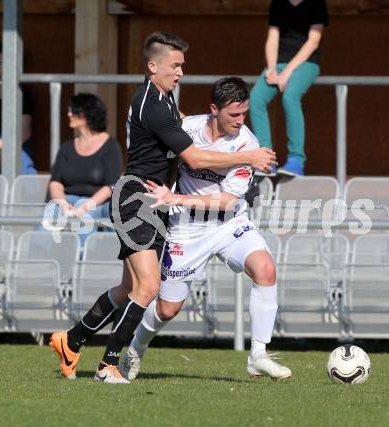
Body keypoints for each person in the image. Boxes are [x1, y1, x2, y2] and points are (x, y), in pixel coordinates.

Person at [50, 32, 277, 384]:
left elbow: (182, 129)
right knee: (149, 287)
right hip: (136, 200)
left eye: (182, 65)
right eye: (176, 65)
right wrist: (249, 156)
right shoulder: (153, 105)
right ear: (153, 66)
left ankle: (72, 339)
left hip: (154, 203)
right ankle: (109, 365)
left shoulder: (164, 97)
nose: (181, 72)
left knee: (128, 288)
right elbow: (193, 156)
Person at [119, 77, 291, 381]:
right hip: (187, 230)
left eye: (244, 114)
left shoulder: (246, 144)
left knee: (266, 270)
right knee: (168, 310)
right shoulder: (189, 129)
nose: (241, 121)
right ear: (214, 110)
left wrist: (174, 197)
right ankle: (135, 348)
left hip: (229, 223)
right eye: (233, 114)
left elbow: (225, 202)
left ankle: (258, 356)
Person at [250, 0, 329, 176]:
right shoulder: (278, 4)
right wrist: (271, 68)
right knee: (256, 98)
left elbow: (313, 41)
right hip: (278, 64)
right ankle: (266, 159)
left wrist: (287, 71)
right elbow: (272, 38)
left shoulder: (317, 4)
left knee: (290, 97)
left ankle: (296, 160)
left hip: (306, 63)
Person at [43, 93, 123, 244]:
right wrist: (62, 203)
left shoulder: (111, 147)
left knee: (82, 217)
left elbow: (111, 186)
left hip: (96, 202)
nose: (69, 114)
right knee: (52, 212)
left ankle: (80, 262)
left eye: (72, 111)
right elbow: (55, 182)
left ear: (85, 115)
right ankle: (34, 261)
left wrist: (85, 207)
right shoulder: (66, 148)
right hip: (68, 200)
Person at [0, 42, 36, 174]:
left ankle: (24, 193)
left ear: (9, 65)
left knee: (19, 155)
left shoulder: (21, 92)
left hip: (12, 142)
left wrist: (1, 144)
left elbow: (24, 132)